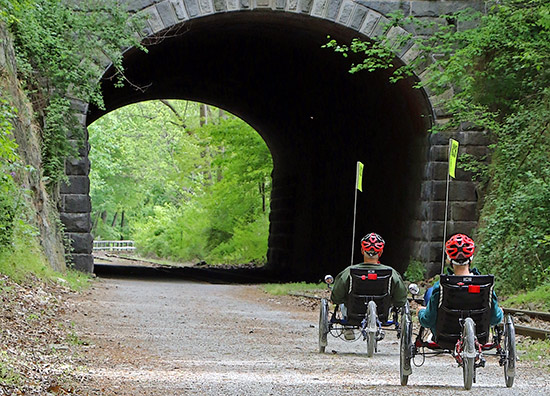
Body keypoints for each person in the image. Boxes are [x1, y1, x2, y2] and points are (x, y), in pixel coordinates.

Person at [418, 233, 504, 337]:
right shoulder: (485, 284)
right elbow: (495, 319)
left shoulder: (441, 285)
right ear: (471, 258)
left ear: (449, 259)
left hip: (445, 338)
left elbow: (427, 321)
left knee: (430, 292)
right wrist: (500, 312)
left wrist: (421, 312)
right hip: (479, 336)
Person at [330, 232, 407, 339]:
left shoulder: (349, 272)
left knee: (344, 301)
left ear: (362, 251)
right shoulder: (391, 273)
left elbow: (336, 297)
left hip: (353, 313)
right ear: (380, 252)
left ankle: (348, 327)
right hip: (382, 313)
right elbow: (401, 300)